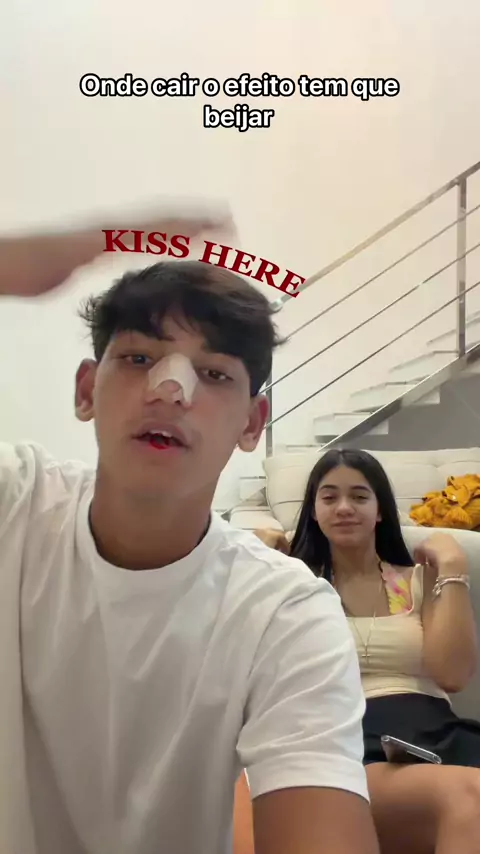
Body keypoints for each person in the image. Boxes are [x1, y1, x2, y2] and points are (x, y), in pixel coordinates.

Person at [0, 213, 380, 854]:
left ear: (253, 422)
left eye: (215, 374)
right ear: (87, 390)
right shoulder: (15, 502)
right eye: (139, 358)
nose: (170, 391)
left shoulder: (285, 614)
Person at [253, 448, 480, 854]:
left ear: (379, 511)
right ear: (313, 512)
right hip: (354, 747)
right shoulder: (295, 587)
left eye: (359, 496)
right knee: (470, 795)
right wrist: (260, 562)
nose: (344, 508)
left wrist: (452, 567)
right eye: (329, 497)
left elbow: (452, 675)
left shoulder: (419, 580)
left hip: (440, 736)